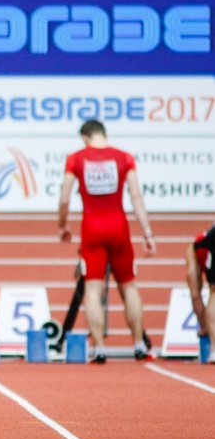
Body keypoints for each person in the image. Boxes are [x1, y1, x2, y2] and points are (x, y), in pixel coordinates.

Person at [57, 120, 156, 364]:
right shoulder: (124, 158)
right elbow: (136, 197)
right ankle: (138, 344)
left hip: (92, 228)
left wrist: (62, 226)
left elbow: (65, 196)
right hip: (118, 226)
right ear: (104, 134)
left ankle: (99, 348)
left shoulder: (76, 159)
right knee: (129, 286)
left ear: (85, 137)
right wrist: (148, 234)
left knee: (92, 289)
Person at [187, 223, 215, 363]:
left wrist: (204, 327)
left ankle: (214, 350)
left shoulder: (197, 244)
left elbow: (194, 294)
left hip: (206, 242)